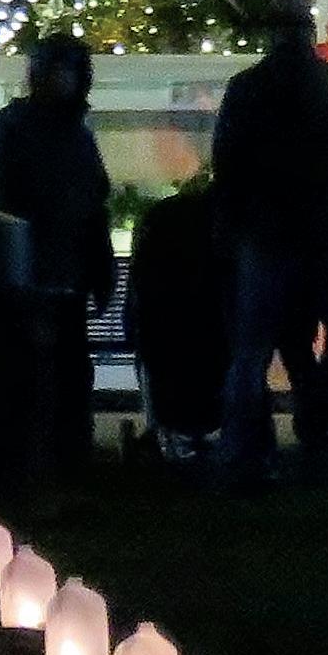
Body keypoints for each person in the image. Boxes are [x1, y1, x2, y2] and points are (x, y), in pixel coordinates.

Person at [212, 0, 328, 478]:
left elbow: (228, 166)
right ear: (309, 32)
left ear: (271, 34)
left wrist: (234, 226)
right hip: (327, 231)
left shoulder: (247, 89)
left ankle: (242, 453)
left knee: (252, 349)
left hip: (265, 234)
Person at [0, 31, 118, 462]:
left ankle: (64, 452)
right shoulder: (12, 132)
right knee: (31, 371)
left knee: (66, 370)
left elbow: (92, 206)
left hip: (60, 278)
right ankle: (32, 453)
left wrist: (99, 266)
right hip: (26, 281)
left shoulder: (72, 136)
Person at [123, 175, 225, 461]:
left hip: (162, 333)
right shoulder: (217, 230)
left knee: (150, 351)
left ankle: (158, 430)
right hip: (207, 337)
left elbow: (137, 295)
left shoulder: (160, 222)